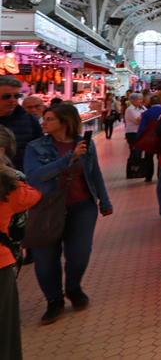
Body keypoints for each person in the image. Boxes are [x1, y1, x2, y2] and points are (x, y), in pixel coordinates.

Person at [24, 104, 113, 325]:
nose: (42, 122)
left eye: (49, 119)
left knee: (79, 254)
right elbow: (35, 177)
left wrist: (104, 200)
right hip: (46, 207)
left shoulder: (85, 144)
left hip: (82, 206)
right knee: (45, 259)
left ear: (65, 123)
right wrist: (68, 159)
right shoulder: (35, 147)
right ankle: (53, 299)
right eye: (43, 118)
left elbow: (94, 173)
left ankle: (73, 288)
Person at [0, 156, 40, 360]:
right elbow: (33, 195)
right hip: (2, 265)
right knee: (6, 332)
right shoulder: (7, 188)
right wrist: (9, 174)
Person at [138, 92, 161, 217]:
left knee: (148, 158)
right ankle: (159, 173)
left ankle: (148, 176)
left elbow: (142, 128)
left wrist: (138, 141)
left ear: (150, 103)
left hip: (150, 141)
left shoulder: (146, 113)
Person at [0, 76, 42, 172]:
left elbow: (40, 150)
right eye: (6, 96)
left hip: (21, 178)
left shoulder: (30, 119)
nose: (12, 100)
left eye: (16, 96)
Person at [124, 93, 145, 158]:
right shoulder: (130, 110)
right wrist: (143, 119)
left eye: (141, 99)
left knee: (140, 152)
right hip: (133, 133)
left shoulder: (143, 107)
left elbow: (147, 117)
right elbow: (138, 121)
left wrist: (142, 118)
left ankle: (138, 166)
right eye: (139, 99)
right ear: (132, 100)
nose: (141, 101)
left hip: (140, 132)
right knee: (135, 152)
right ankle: (133, 167)